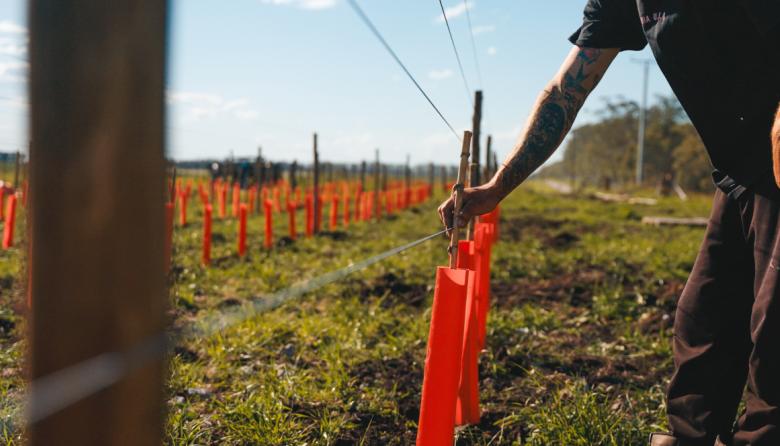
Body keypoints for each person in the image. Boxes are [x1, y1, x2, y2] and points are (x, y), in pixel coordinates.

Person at [438, 1, 780, 445]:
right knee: (702, 327)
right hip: (740, 175)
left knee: (774, 335)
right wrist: (497, 188)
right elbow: (566, 91)